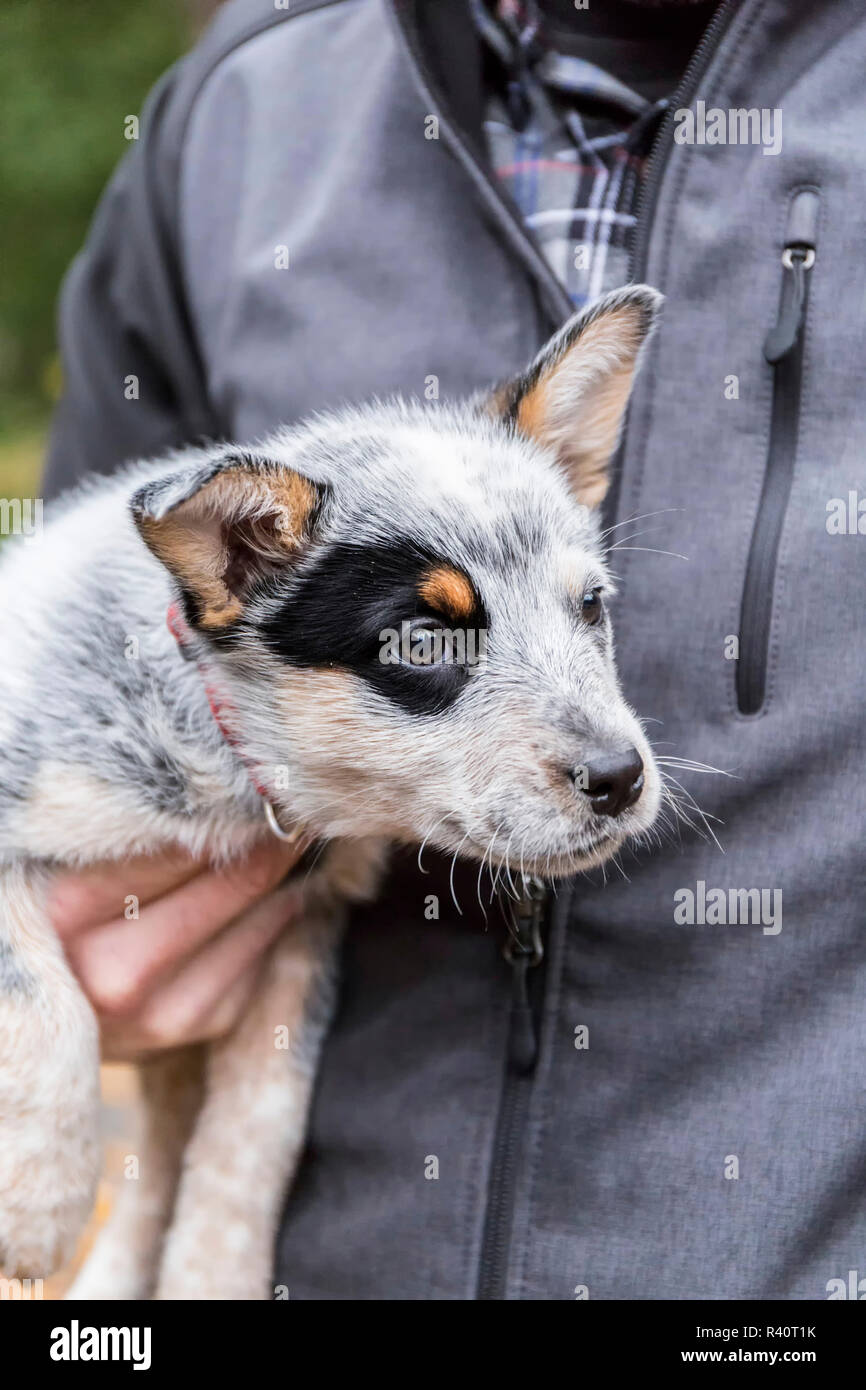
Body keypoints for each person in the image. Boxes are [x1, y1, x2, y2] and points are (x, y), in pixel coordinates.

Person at [44, 0, 866, 1299]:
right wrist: (60, 960)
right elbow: (71, 659)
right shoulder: (237, 112)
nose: (608, 755)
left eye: (585, 606)